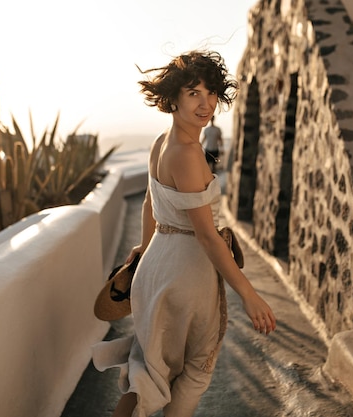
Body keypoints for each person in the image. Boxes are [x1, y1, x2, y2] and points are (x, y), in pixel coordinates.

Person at [92, 50, 277, 417]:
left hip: (157, 265)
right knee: (195, 370)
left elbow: (149, 202)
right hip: (187, 272)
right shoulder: (188, 153)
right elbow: (207, 237)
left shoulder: (162, 142)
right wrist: (250, 294)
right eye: (193, 93)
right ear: (173, 97)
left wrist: (144, 252)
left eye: (211, 93)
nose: (205, 103)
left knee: (147, 367)